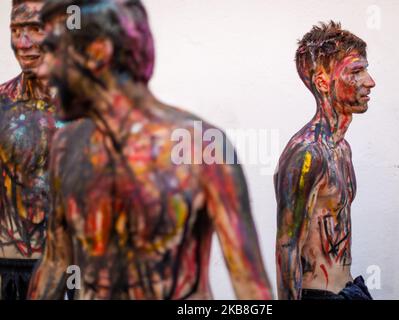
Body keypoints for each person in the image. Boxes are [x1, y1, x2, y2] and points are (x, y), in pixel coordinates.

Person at [28, 0, 273, 300]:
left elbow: (252, 292)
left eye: (53, 50)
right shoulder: (66, 147)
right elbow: (56, 263)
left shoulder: (202, 147)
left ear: (97, 52)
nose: (42, 68)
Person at [275, 21, 376, 300]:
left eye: (366, 69)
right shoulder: (306, 154)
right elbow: (287, 246)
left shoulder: (342, 148)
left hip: (350, 290)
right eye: (357, 71)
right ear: (322, 82)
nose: (370, 81)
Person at [0, 0, 62, 300]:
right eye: (15, 30)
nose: (23, 44)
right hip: (11, 267)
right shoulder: (1, 103)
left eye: (35, 29)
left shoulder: (89, 106)